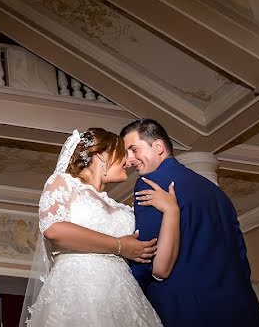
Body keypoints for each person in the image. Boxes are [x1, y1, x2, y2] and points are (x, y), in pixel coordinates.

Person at [20, 128, 179, 326]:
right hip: (77, 292)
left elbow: (157, 261)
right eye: (123, 152)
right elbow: (55, 229)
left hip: (124, 297)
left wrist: (172, 211)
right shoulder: (63, 183)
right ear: (102, 155)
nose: (129, 161)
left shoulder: (122, 209)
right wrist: (119, 245)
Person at [121, 118, 259, 327]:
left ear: (159, 146)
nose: (129, 160)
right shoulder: (215, 192)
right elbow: (240, 253)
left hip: (186, 308)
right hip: (240, 305)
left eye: (133, 149)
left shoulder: (151, 184)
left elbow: (147, 253)